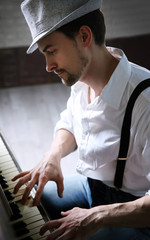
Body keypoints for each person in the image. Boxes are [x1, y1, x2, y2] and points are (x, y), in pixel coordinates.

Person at [12, 0, 150, 239]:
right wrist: (52, 155)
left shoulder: (145, 103)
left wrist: (94, 216)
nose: (48, 66)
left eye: (51, 51)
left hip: (134, 215)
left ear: (84, 36)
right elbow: (71, 122)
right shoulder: (81, 77)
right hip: (91, 188)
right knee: (22, 197)